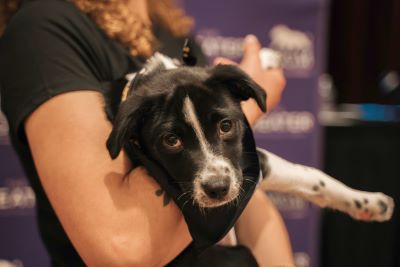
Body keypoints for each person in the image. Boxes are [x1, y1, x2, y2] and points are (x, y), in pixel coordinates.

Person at [0, 0, 294, 266]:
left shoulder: (171, 30)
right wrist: (242, 112)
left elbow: (244, 199)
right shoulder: (45, 31)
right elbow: (122, 249)